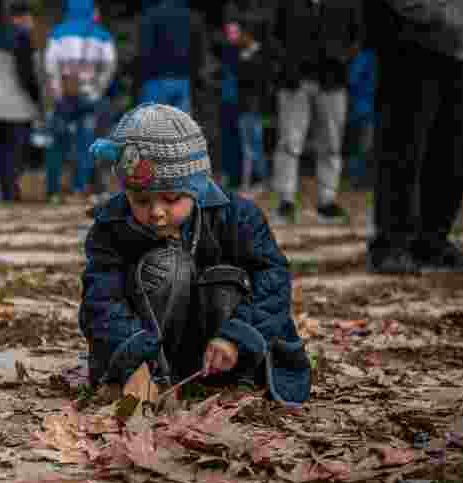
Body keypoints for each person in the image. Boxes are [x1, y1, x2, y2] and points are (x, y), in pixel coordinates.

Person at [81, 104, 311, 405]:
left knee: (227, 278)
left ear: (197, 188)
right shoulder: (111, 226)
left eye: (172, 199)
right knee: (166, 266)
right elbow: (101, 300)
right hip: (153, 350)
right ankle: (155, 376)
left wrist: (237, 336)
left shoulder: (238, 217)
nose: (157, 212)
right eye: (141, 200)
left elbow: (273, 280)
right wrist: (132, 358)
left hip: (224, 347)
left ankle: (234, 379)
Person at [366, 0, 463, 273]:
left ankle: (432, 241)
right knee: (402, 150)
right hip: (410, 45)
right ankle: (392, 243)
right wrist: (446, 18)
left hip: (460, 52)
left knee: (453, 152)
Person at [268, 0, 364, 226]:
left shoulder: (346, 5)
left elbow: (357, 37)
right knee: (290, 143)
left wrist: (342, 60)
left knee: (331, 144)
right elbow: (273, 35)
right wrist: (286, 64)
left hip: (332, 81)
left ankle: (327, 201)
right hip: (294, 81)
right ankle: (286, 201)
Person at [43, 0, 117, 205]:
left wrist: (56, 91)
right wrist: (98, 89)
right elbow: (110, 65)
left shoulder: (58, 33)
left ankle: (53, 191)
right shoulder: (102, 35)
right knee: (87, 142)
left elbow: (50, 65)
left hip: (65, 96)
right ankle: (80, 187)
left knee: (58, 142)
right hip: (89, 97)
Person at [0, 1, 41, 203]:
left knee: (3, 152)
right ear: (24, 17)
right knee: (18, 151)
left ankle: (6, 192)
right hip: (18, 107)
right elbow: (25, 74)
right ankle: (12, 192)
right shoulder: (22, 37)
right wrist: (36, 98)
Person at [225, 2, 273, 197]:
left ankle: (258, 181)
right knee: (249, 146)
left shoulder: (256, 54)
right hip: (247, 105)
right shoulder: (245, 54)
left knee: (253, 146)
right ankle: (251, 181)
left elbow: (255, 79)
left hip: (253, 106)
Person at [137, 0, 201, 113]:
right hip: (183, 79)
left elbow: (145, 50)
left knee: (153, 127)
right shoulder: (190, 16)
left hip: (157, 79)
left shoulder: (152, 14)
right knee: (180, 128)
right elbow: (197, 50)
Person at [346, 46, 376, 189]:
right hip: (366, 108)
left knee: (361, 145)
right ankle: (358, 180)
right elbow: (353, 80)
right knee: (364, 145)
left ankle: (358, 179)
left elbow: (352, 80)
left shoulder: (365, 56)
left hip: (363, 107)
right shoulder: (367, 56)